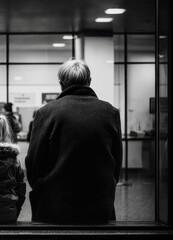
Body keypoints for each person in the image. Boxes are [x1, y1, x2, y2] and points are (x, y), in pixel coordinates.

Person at [25, 59, 122, 224]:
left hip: (55, 203)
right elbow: (116, 161)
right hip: (99, 202)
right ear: (89, 82)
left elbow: (34, 163)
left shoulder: (46, 113)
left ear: (61, 84)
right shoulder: (110, 112)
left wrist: (42, 186)